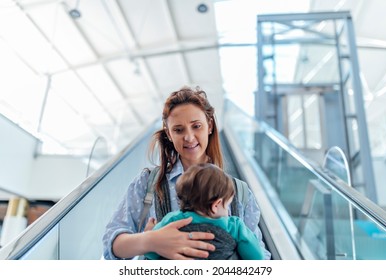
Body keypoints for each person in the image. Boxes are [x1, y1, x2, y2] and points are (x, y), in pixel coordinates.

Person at [102, 86, 271, 260]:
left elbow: (262, 260)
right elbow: (111, 245)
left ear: (210, 125)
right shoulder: (148, 183)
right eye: (178, 130)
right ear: (169, 134)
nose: (189, 137)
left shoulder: (240, 191)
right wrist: (149, 241)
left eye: (196, 126)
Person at [144, 163, 265, 260]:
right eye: (227, 205)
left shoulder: (172, 220)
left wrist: (149, 233)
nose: (228, 212)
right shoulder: (234, 226)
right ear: (216, 205)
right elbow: (257, 258)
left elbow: (150, 252)